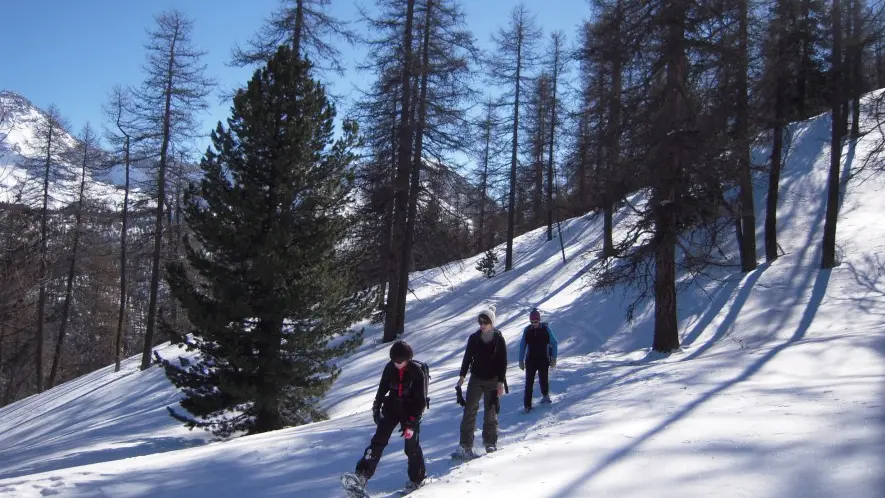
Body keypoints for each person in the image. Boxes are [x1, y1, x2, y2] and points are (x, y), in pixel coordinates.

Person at [346, 340, 426, 495]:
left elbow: (420, 400)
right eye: (394, 360)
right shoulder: (390, 368)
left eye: (399, 360)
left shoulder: (417, 371)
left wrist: (412, 420)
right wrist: (376, 407)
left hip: (410, 411)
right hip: (392, 407)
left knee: (411, 446)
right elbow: (382, 388)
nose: (396, 363)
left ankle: (417, 479)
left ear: (407, 358)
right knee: (378, 441)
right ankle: (362, 475)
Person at [455, 305, 507, 457]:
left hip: (493, 380)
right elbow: (467, 358)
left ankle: (490, 443)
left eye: (485, 322)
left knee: (490, 413)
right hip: (476, 379)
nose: (482, 325)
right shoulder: (474, 338)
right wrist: (462, 376)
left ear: (492, 322)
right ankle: (465, 445)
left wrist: (500, 382)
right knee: (469, 410)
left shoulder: (498, 339)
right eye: (480, 322)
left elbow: (502, 362)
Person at [518, 308, 558, 412]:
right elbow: (522, 345)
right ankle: (527, 406)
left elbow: (554, 342)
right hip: (530, 360)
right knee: (529, 383)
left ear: (539, 320)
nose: (534, 324)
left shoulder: (545, 329)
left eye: (535, 322)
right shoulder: (527, 330)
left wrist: (554, 357)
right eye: (531, 322)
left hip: (543, 359)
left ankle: (545, 396)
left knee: (543, 380)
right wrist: (520, 360)